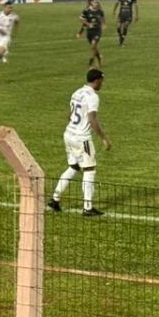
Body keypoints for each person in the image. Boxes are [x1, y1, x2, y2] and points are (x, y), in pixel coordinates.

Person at [48, 69, 111, 216]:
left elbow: (70, 115)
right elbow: (92, 119)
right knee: (89, 170)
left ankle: (55, 200)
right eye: (102, 80)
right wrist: (104, 138)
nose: (102, 83)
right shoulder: (93, 97)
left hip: (68, 135)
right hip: (82, 139)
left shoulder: (76, 92)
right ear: (96, 81)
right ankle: (88, 207)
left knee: (74, 167)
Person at [79, 0, 105, 66]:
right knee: (94, 47)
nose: (96, 4)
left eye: (97, 2)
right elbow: (81, 19)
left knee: (93, 45)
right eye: (94, 2)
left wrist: (103, 25)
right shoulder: (86, 11)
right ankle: (99, 57)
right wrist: (88, 24)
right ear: (91, 3)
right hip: (89, 32)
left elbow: (102, 19)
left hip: (97, 31)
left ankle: (91, 61)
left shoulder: (100, 11)